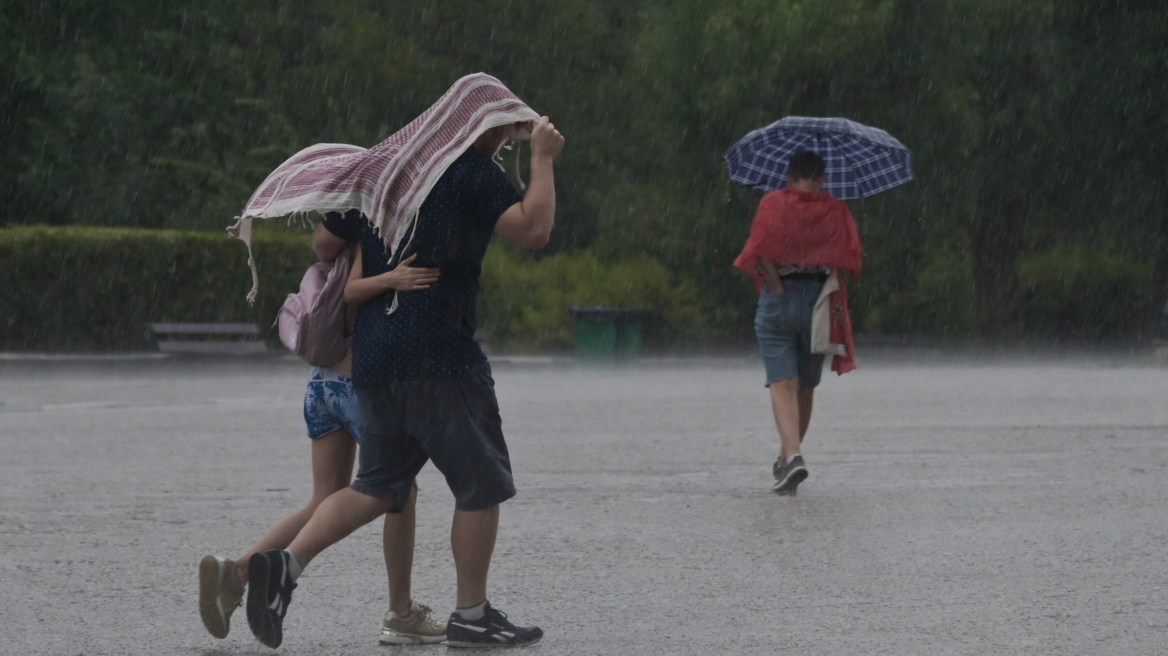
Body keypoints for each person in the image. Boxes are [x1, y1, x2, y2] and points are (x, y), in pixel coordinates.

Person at [241, 94, 564, 649]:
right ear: (478, 127)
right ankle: (472, 615)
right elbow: (534, 230)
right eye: (502, 133)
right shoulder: (470, 172)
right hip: (441, 355)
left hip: (373, 358)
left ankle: (285, 568)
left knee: (377, 486)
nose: (502, 143)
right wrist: (542, 160)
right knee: (480, 484)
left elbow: (324, 241)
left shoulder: (385, 171)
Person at [198, 248, 446, 645]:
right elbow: (356, 293)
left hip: (320, 384)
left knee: (324, 499)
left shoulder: (339, 230)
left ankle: (239, 572)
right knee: (400, 488)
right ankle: (401, 613)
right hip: (356, 385)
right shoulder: (375, 229)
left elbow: (322, 246)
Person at [733, 150, 862, 496]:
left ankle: (791, 456)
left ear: (788, 176)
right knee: (805, 385)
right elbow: (848, 259)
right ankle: (788, 460)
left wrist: (776, 284)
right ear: (822, 178)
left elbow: (757, 249)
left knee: (781, 382)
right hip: (819, 304)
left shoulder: (772, 203)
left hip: (779, 301)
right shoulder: (836, 208)